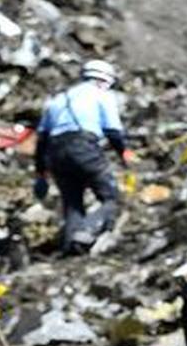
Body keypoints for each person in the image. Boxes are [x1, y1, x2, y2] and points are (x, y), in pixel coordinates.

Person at [33, 59, 135, 254]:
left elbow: (41, 141)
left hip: (55, 153)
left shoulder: (57, 99)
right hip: (82, 146)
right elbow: (113, 131)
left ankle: (70, 249)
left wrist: (40, 174)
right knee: (111, 198)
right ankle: (85, 231)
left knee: (72, 204)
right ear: (104, 80)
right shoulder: (101, 94)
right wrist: (124, 152)